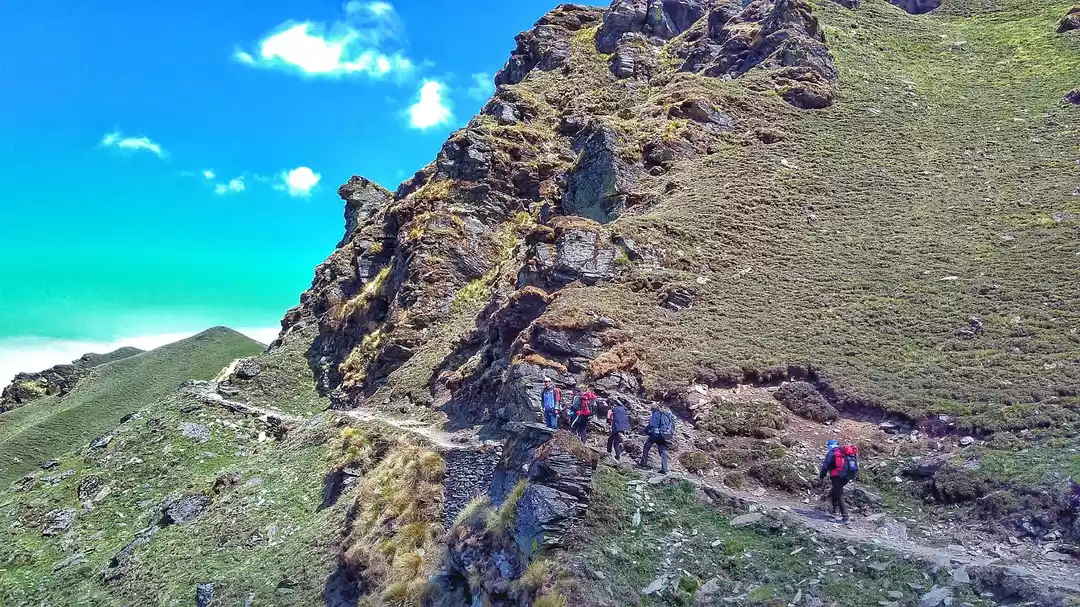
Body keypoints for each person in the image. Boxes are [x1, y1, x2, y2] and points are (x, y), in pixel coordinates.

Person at [819, 439, 852, 524]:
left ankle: (845, 517)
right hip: (847, 476)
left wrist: (822, 476)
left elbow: (825, 466)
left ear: (829, 446)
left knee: (839, 493)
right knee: (836, 490)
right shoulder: (843, 451)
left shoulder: (832, 452)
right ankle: (834, 510)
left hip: (837, 476)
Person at [638, 403, 675, 474]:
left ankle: (643, 463)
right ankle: (664, 468)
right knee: (662, 451)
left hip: (655, 434)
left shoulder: (655, 414)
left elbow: (652, 424)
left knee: (646, 446)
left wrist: (646, 430)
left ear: (653, 408)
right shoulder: (663, 414)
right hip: (662, 435)